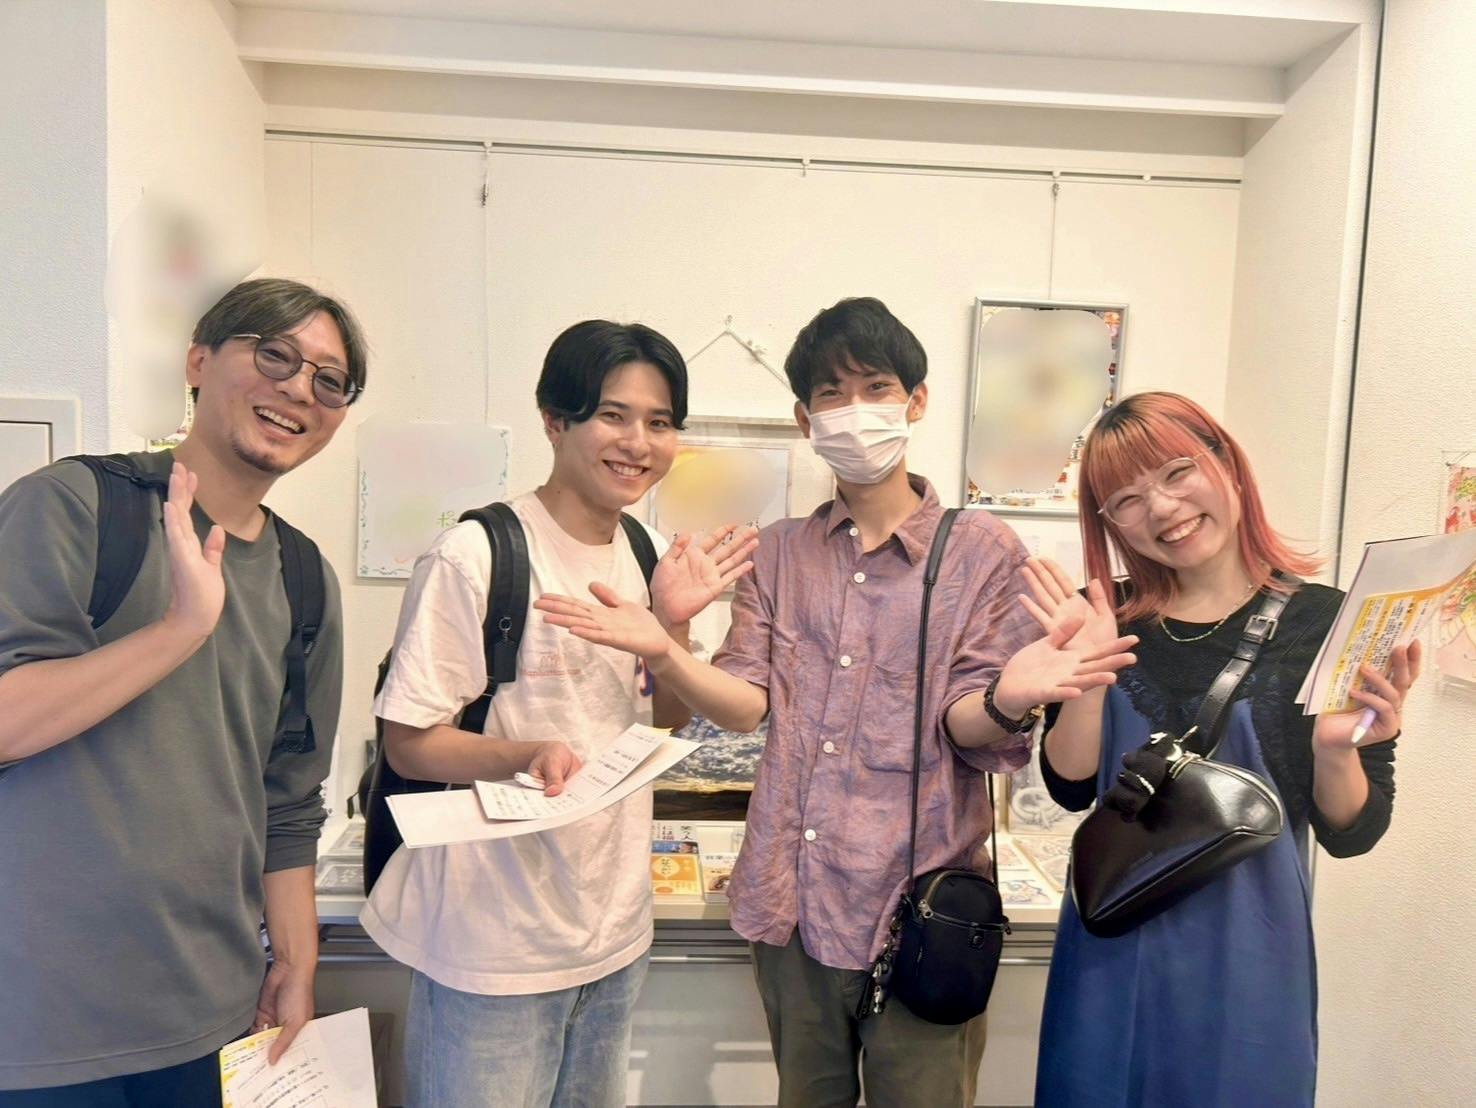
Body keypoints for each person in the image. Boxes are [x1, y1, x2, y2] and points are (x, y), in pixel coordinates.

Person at [537, 297, 1137, 1107]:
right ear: (805, 418)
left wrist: (1006, 697)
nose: (854, 411)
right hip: (793, 904)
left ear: (915, 401)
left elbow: (967, 724)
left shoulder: (980, 550)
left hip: (922, 914)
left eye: (875, 388)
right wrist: (666, 646)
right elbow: (745, 707)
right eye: (831, 394)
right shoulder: (781, 551)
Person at [361, 320, 757, 1108]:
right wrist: (524, 752)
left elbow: (666, 723)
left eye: (660, 422)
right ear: (554, 418)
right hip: (491, 944)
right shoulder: (476, 555)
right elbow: (408, 744)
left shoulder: (649, 555)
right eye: (612, 415)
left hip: (614, 932)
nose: (637, 442)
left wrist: (673, 629)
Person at [0, 279, 366, 1104]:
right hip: (38, 1025)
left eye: (330, 380)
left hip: (213, 1013)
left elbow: (288, 798)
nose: (299, 389)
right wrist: (179, 629)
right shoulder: (76, 505)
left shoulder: (304, 578)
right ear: (199, 360)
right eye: (276, 355)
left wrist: (296, 962)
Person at [1027, 391, 1420, 1107]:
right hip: (1112, 941)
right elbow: (1072, 786)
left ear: (1226, 464)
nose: (1163, 507)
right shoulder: (1103, 615)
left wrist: (1337, 750)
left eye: (1177, 472)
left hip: (1250, 960)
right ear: (1109, 522)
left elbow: (1353, 832)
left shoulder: (1325, 621)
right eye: (1127, 500)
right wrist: (1084, 678)